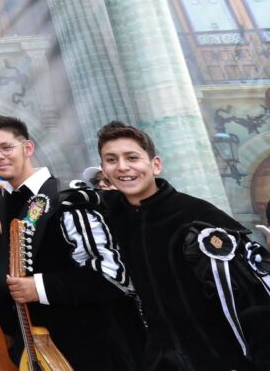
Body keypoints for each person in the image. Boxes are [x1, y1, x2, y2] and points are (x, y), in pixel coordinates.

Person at [98, 121, 270, 369]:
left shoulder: (197, 218)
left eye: (132, 157)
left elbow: (251, 300)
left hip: (219, 361)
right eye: (111, 159)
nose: (123, 167)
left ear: (155, 165)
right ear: (104, 168)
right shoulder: (111, 214)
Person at [0, 116, 142, 370]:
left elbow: (115, 276)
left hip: (94, 349)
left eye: (6, 147)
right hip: (38, 351)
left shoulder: (69, 198)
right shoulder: (2, 204)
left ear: (28, 148)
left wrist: (39, 287)